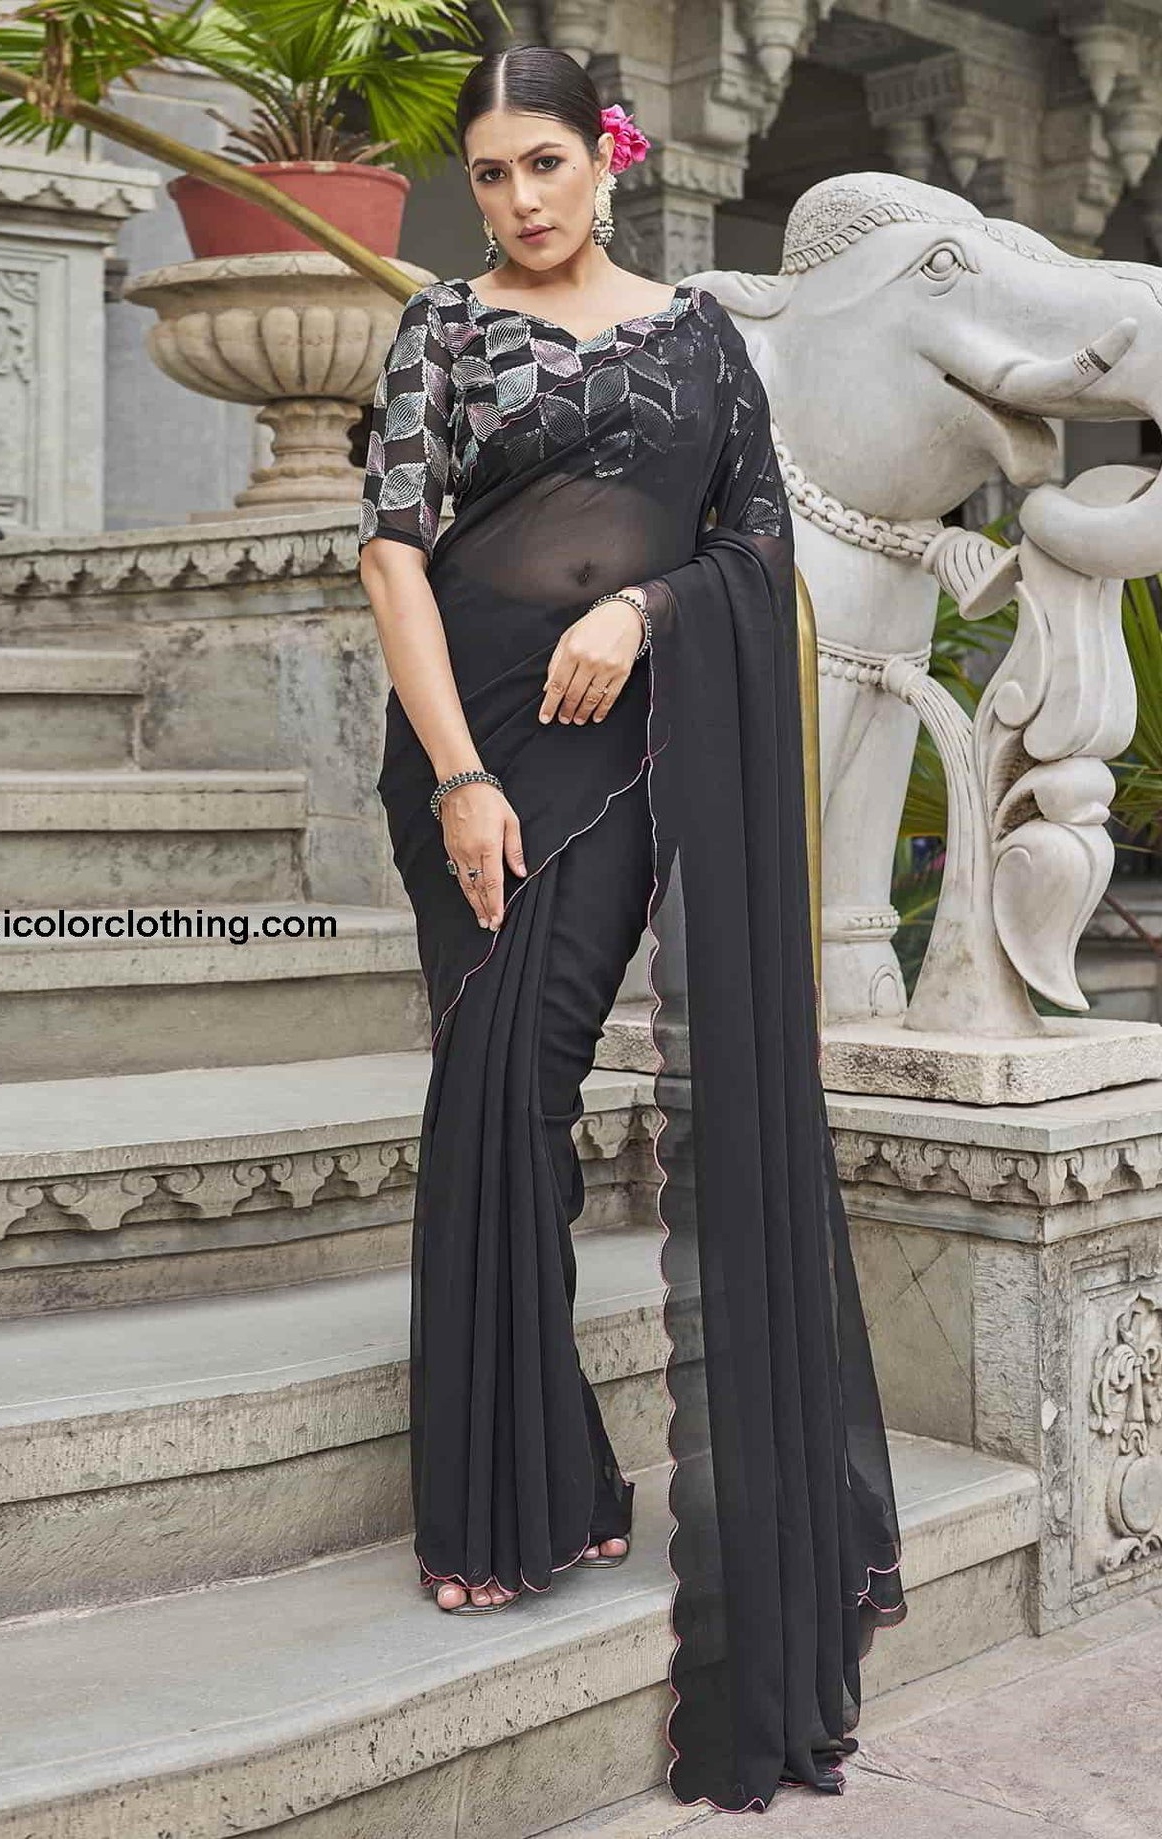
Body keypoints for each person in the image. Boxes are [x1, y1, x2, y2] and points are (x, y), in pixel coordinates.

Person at [356, 40, 907, 1810]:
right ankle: (517, 1490)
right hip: (474, 745)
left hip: (623, 747)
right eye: (489, 173)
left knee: (529, 1069)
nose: (518, 200)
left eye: (544, 163)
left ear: (607, 156)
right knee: (493, 1083)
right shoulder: (443, 330)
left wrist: (645, 613)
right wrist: (458, 776)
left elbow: (757, 545)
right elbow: (391, 548)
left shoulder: (696, 338)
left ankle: (542, 1478)